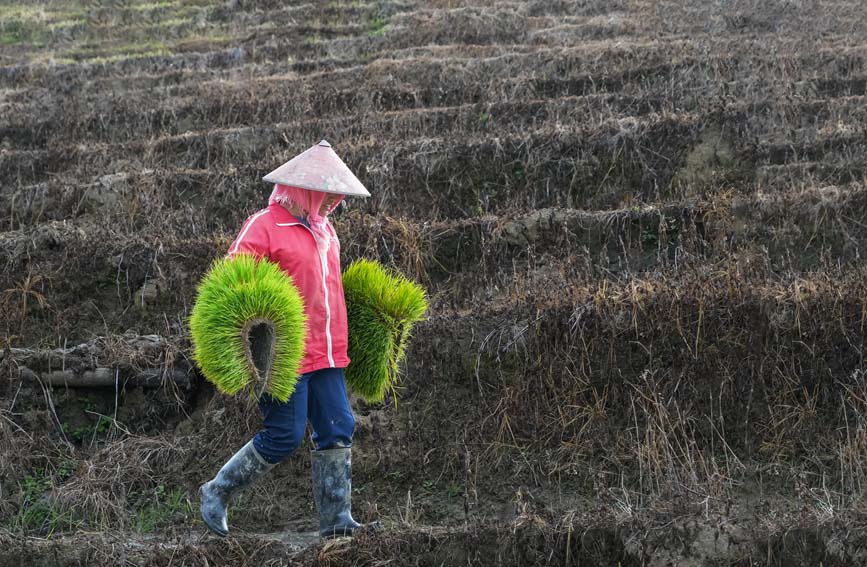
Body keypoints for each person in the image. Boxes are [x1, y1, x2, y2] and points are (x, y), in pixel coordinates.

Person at [199, 140, 372, 539]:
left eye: (337, 197)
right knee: (285, 434)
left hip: (327, 350)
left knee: (338, 425)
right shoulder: (264, 225)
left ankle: (336, 522)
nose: (334, 203)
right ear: (304, 190)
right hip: (285, 356)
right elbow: (233, 284)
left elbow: (325, 290)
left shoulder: (325, 229)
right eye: (328, 195)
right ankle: (217, 490)